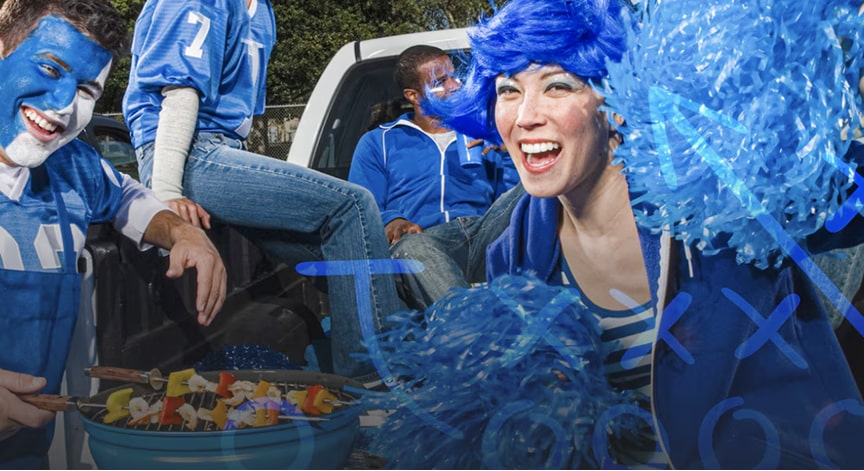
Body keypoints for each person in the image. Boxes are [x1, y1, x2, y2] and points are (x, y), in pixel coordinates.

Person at [428, 0, 864, 467]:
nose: (525, 116)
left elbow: (844, 194)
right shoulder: (512, 257)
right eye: (508, 91)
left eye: (557, 86)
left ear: (615, 103)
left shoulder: (716, 198)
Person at [123, 0, 406, 382]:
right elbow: (180, 93)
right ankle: (371, 381)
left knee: (353, 249)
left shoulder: (263, 12)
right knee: (353, 205)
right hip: (182, 152)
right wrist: (166, 190)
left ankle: (401, 343)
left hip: (222, 150)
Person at [0, 0, 227, 466]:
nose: (63, 105)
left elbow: (126, 196)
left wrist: (183, 233)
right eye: (50, 68)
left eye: (86, 89)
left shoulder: (72, 164)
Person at [349, 45, 522, 310]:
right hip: (425, 239)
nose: (455, 86)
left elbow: (511, 202)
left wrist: (511, 153)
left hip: (482, 233)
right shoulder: (378, 142)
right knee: (412, 247)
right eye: (441, 82)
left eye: (455, 77)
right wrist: (392, 219)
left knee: (533, 193)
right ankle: (473, 326)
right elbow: (361, 206)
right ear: (414, 96)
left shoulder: (483, 134)